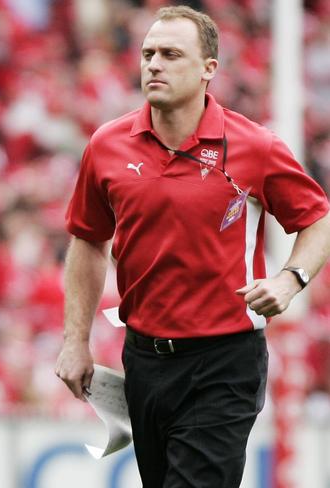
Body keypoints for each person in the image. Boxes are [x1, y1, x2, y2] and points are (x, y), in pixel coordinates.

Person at [56, 5, 330, 488]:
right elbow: (88, 241)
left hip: (225, 361)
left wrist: (291, 278)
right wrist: (75, 340)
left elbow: (317, 218)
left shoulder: (254, 146)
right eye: (148, 54)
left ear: (209, 69)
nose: (154, 64)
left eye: (170, 54)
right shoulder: (107, 145)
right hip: (142, 360)